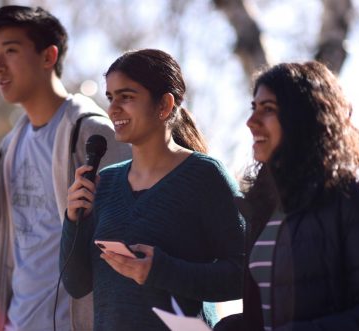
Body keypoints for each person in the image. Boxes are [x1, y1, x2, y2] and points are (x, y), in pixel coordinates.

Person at [0, 5, 131, 331]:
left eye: (10, 50)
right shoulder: (12, 143)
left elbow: (129, 229)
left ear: (49, 56)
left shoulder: (91, 132)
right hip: (15, 322)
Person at [61, 48, 245, 330]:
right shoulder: (105, 182)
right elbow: (77, 284)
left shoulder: (205, 176)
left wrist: (161, 271)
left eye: (127, 97)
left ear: (164, 105)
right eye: (110, 97)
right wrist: (74, 221)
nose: (113, 108)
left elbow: (245, 276)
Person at [215, 61, 359, 330]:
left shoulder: (355, 192)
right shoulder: (266, 202)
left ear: (305, 116)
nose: (250, 122)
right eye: (253, 108)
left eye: (267, 109)